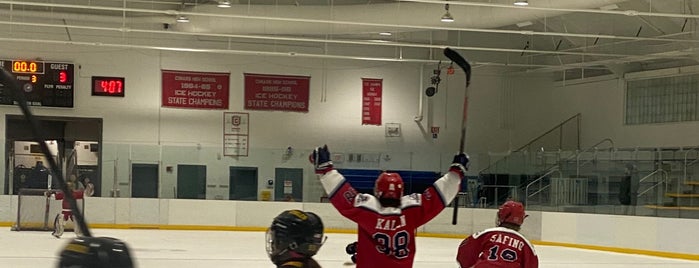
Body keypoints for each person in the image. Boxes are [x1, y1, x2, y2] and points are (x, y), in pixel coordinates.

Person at [310, 145, 468, 268]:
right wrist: (456, 172)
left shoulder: (367, 210)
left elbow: (343, 194)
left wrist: (326, 169)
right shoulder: (412, 210)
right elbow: (438, 194)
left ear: (378, 190)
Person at [456, 200, 538, 268]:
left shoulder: (487, 233)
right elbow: (532, 265)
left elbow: (464, 254)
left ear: (501, 216)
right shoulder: (526, 243)